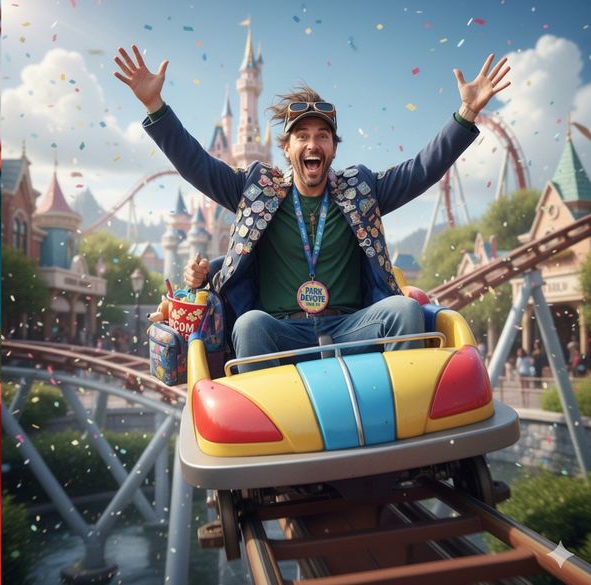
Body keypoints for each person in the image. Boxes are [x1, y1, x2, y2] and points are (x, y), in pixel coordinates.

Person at [114, 45, 509, 371]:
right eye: (301, 136)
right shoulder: (257, 191)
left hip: (351, 325)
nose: (312, 144)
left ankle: (395, 420)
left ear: (334, 148)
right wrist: (155, 106)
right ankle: (263, 432)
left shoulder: (360, 191)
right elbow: (196, 164)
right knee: (250, 325)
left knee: (404, 312)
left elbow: (423, 168)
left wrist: (467, 114)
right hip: (282, 332)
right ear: (286, 148)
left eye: (322, 135)